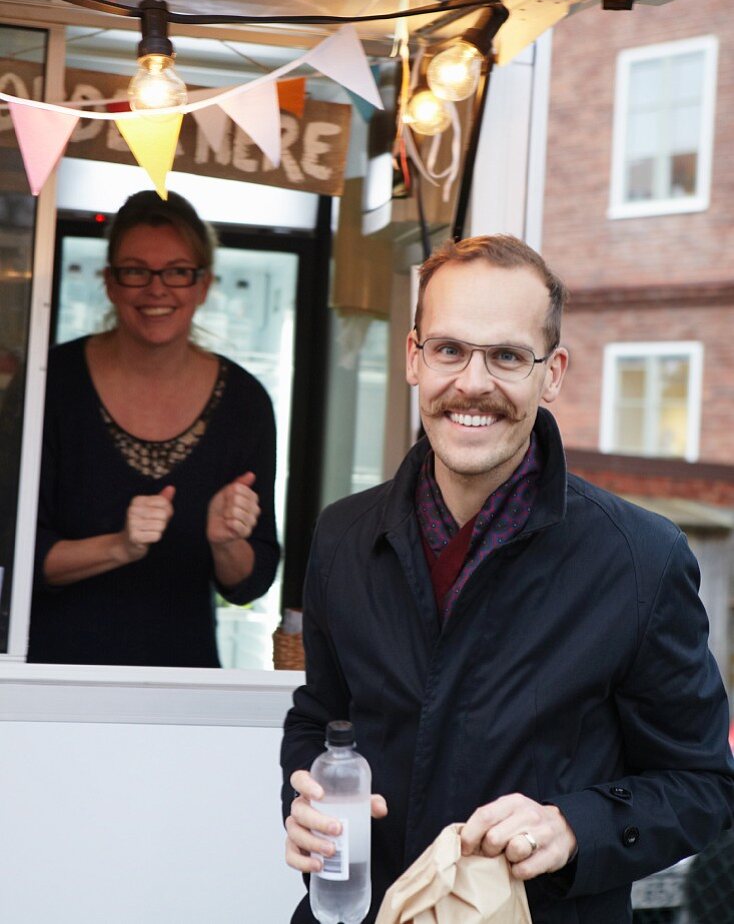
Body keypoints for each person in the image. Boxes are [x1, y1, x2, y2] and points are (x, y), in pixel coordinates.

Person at [281, 235, 734, 924]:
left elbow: (703, 786)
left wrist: (576, 826)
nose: (472, 383)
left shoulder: (640, 558)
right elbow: (321, 717)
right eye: (450, 350)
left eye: (507, 356)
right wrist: (306, 802)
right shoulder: (344, 536)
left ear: (551, 373)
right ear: (413, 357)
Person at [28, 190, 279, 667]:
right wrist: (120, 546)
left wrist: (226, 543)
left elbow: (252, 580)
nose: (156, 289)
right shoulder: (51, 383)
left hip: (182, 685)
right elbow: (16, 556)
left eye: (178, 271)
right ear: (110, 282)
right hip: (48, 677)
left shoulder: (244, 402)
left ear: (203, 285)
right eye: (136, 270)